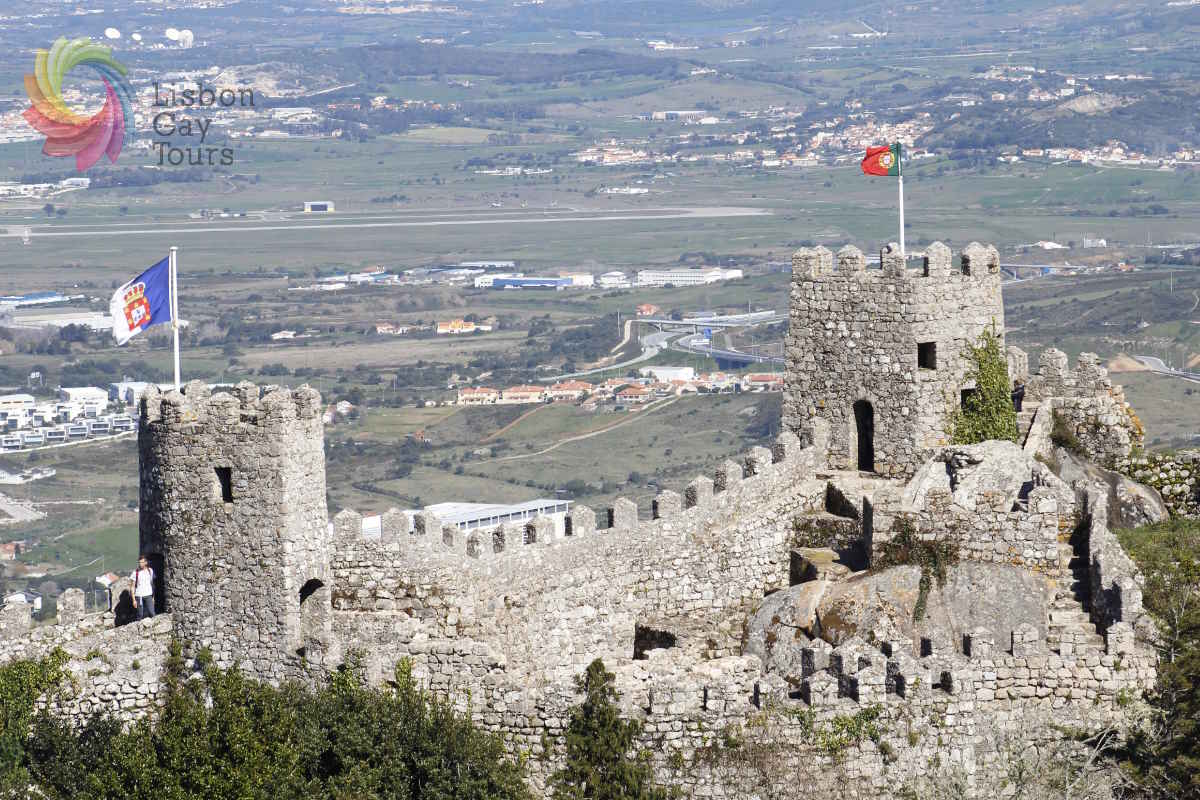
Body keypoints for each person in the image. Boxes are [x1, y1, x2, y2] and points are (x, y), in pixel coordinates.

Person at [130, 555, 155, 620]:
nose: (140, 564)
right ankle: (139, 629)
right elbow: (132, 587)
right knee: (140, 615)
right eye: (139, 562)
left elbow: (151, 584)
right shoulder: (135, 573)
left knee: (152, 613)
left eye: (142, 562)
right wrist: (134, 600)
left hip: (149, 595)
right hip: (139, 596)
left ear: (146, 563)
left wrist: (153, 597)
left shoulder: (150, 571)